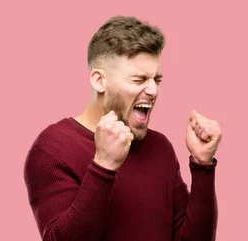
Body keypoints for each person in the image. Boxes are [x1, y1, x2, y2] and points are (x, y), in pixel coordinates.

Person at [23, 15, 222, 241]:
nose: (153, 91)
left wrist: (202, 164)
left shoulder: (161, 148)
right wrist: (104, 165)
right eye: (138, 80)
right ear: (99, 81)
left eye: (156, 80)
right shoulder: (53, 147)